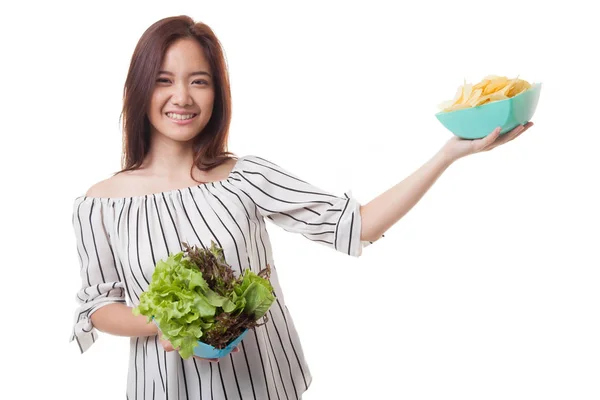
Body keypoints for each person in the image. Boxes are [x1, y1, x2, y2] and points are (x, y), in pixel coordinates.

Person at [69, 15, 534, 400]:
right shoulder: (101, 203)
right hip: (163, 390)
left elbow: (357, 224)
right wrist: (161, 324)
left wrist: (447, 155)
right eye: (164, 81)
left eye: (199, 82)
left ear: (217, 93)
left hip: (263, 388)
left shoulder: (245, 176)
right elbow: (97, 305)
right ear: (139, 89)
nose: (183, 98)